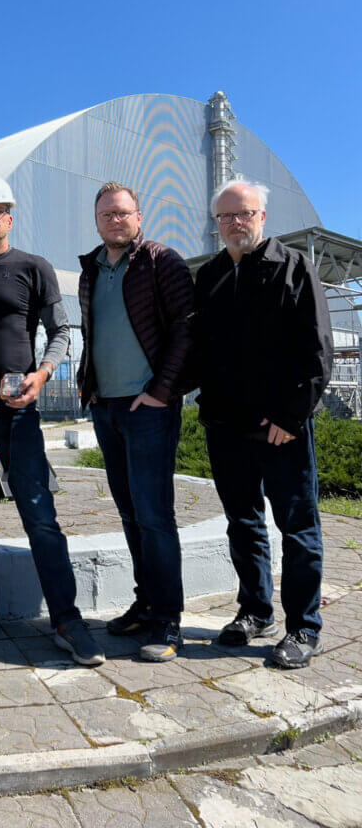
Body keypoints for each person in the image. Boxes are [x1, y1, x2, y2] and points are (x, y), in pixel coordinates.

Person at [0, 174, 104, 665]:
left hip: (18, 409)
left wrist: (42, 375)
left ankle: (66, 619)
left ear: (11, 216)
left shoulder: (34, 268)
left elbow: (61, 331)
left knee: (39, 515)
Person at [194, 179, 333, 669]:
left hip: (281, 428)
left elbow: (316, 352)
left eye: (244, 213)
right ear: (217, 225)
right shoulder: (210, 275)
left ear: (262, 217)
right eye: (226, 217)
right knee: (243, 522)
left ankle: (303, 627)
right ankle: (255, 612)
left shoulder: (294, 269)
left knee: (297, 527)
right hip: (226, 425)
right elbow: (199, 351)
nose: (235, 223)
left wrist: (291, 416)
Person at [77, 181, 195, 662]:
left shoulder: (161, 261)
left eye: (123, 213)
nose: (115, 221)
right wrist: (89, 388)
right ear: (97, 221)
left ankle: (168, 621)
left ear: (139, 216)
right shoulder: (91, 269)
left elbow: (187, 328)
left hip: (148, 409)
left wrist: (161, 391)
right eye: (107, 215)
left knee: (154, 515)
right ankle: (146, 604)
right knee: (129, 513)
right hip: (107, 408)